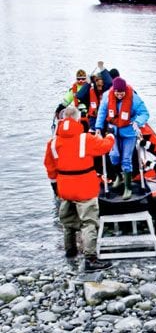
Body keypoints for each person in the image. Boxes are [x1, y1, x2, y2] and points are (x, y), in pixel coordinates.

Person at [44, 105, 115, 271]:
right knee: (89, 222)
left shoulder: (53, 143)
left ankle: (70, 251)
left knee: (68, 221)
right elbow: (105, 146)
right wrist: (110, 134)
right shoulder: (85, 139)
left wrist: (56, 186)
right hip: (84, 187)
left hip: (64, 187)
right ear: (78, 119)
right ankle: (90, 259)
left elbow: (49, 166)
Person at [95, 77, 149, 200]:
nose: (119, 95)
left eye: (122, 93)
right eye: (117, 93)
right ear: (113, 91)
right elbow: (102, 112)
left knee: (126, 159)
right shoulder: (107, 97)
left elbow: (145, 113)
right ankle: (118, 176)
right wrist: (98, 126)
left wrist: (137, 122)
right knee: (114, 156)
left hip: (129, 133)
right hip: (114, 131)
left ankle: (127, 187)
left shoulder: (134, 98)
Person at [74, 61, 113, 130]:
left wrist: (102, 68)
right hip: (93, 119)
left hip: (105, 118)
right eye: (98, 85)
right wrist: (87, 83)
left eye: (101, 85)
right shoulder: (90, 90)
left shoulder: (107, 91)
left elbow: (110, 82)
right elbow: (79, 96)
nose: (100, 87)